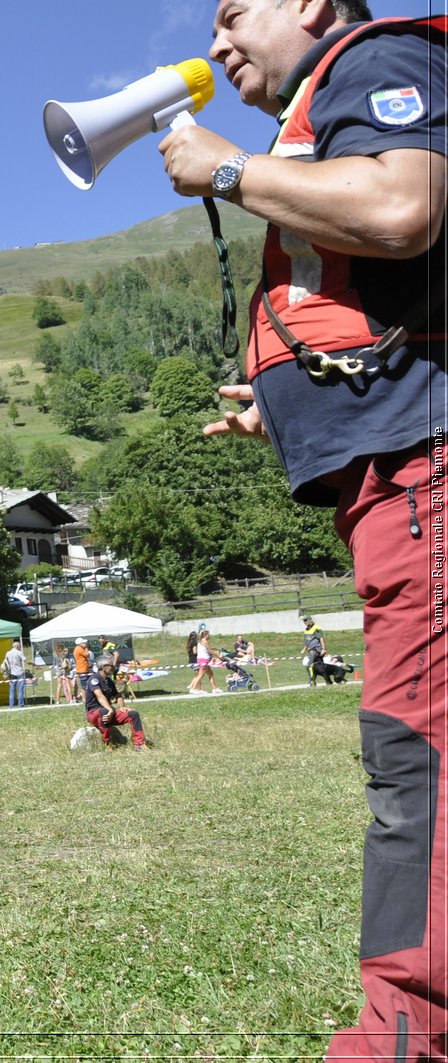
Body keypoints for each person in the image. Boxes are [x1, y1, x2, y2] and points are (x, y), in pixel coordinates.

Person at [163, 2, 447, 1053]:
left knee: (418, 756)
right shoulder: (331, 100)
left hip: (422, 478)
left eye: (236, 10)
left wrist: (230, 172)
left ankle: (406, 1037)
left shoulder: (376, 59)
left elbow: (400, 206)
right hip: (398, 479)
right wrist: (281, 399)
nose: (218, 40)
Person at [84, 655, 149, 750]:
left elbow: (118, 696)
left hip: (108, 711)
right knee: (104, 712)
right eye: (111, 666)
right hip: (94, 713)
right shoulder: (94, 679)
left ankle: (139, 744)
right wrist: (110, 709)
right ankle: (107, 744)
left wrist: (122, 707)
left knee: (133, 714)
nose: (113, 668)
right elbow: (100, 696)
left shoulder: (108, 681)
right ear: (103, 667)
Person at [189, 627, 220, 695]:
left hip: (202, 659)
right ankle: (193, 688)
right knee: (200, 675)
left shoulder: (200, 642)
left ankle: (214, 688)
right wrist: (218, 655)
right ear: (205, 635)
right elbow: (209, 650)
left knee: (210, 674)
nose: (209, 636)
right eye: (208, 634)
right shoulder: (204, 641)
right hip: (204, 660)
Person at [302, 616, 328, 686]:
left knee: (309, 666)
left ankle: (311, 682)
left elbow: (321, 639)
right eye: (304, 621)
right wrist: (304, 649)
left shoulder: (316, 628)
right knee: (321, 667)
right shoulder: (307, 629)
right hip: (310, 650)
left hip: (316, 650)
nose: (304, 622)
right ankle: (327, 681)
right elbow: (309, 641)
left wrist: (323, 649)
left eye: (306, 620)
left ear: (310, 620)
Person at [3, 638, 28, 709]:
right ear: (18, 647)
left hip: (12, 673)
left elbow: (5, 662)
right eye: (20, 646)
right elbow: (26, 661)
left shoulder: (8, 653)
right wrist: (33, 664)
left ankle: (11, 705)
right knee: (20, 689)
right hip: (19, 672)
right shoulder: (19, 653)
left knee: (12, 690)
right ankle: (21, 705)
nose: (20, 648)